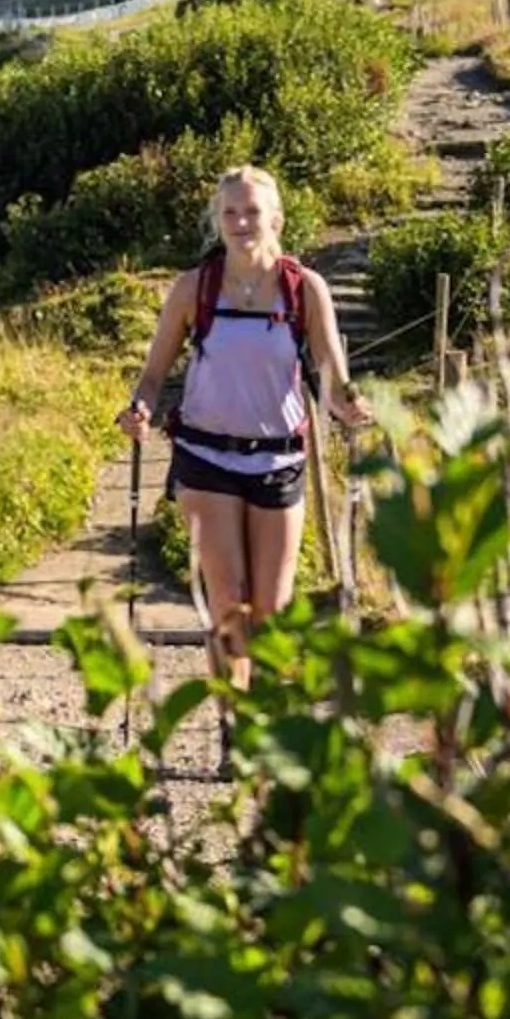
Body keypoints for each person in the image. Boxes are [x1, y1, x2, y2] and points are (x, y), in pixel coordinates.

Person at [118, 164, 370, 686]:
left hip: (279, 461)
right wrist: (139, 409)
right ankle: (235, 730)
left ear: (276, 218)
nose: (240, 223)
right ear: (217, 221)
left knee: (272, 612)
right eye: (229, 213)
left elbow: (331, 375)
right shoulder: (194, 289)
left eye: (252, 211)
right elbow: (153, 376)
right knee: (229, 603)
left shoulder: (305, 290)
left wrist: (352, 404)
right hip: (206, 458)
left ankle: (264, 725)